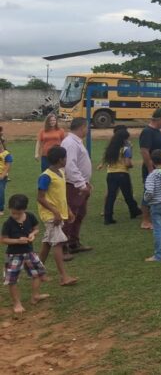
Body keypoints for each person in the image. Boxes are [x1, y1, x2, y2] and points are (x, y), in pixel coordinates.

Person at [36, 146, 77, 286]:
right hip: (51, 216)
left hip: (58, 214)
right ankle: (64, 277)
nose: (66, 160)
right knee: (58, 243)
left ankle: (37, 272)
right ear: (60, 159)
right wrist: (55, 211)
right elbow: (40, 197)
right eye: (65, 157)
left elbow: (61, 196)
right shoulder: (46, 176)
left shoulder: (61, 173)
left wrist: (68, 210)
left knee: (47, 243)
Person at [2, 194, 50, 313]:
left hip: (29, 252)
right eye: (13, 212)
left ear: (24, 209)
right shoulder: (8, 223)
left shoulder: (30, 216)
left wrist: (33, 234)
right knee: (12, 280)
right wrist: (17, 241)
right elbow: (3, 239)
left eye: (18, 213)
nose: (15, 215)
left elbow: (36, 228)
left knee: (38, 274)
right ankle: (17, 303)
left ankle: (35, 295)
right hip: (13, 255)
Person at [60, 117, 92, 255]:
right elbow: (70, 166)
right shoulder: (70, 143)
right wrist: (81, 184)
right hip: (73, 185)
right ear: (82, 127)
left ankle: (73, 242)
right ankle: (63, 246)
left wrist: (86, 182)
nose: (88, 130)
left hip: (79, 183)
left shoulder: (75, 142)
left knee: (79, 214)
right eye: (87, 127)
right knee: (71, 215)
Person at [99, 127, 141, 225]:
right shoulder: (126, 148)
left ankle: (108, 217)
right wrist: (131, 165)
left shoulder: (111, 148)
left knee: (111, 196)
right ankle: (134, 211)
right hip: (122, 174)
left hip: (110, 174)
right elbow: (127, 163)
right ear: (124, 139)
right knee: (128, 195)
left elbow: (107, 161)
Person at [139, 108, 161, 230]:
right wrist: (150, 168)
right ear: (160, 119)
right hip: (153, 169)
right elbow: (144, 150)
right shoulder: (147, 132)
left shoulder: (157, 131)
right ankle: (145, 221)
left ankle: (155, 217)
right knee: (149, 193)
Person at [0, 140, 12, 216]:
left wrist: (3, 175)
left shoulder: (6, 154)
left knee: (0, 192)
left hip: (2, 176)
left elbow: (8, 166)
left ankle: (1, 209)